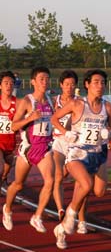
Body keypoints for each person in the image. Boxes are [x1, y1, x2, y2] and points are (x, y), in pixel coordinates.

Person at [52, 69, 111, 249]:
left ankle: (60, 230)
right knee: (86, 184)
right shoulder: (77, 104)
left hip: (98, 153)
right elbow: (54, 118)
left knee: (99, 191)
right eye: (96, 82)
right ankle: (70, 217)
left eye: (103, 82)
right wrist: (67, 133)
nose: (100, 86)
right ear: (87, 85)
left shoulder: (108, 107)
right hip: (77, 152)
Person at [2, 67, 54, 233]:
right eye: (41, 79)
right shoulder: (27, 101)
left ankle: (37, 216)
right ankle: (7, 209)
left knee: (50, 181)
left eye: (47, 79)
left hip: (44, 148)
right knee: (18, 184)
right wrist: (30, 118)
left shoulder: (51, 101)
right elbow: (13, 125)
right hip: (28, 149)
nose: (45, 82)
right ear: (33, 82)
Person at [52, 70, 79, 222]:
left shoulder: (79, 102)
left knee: (69, 174)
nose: (69, 87)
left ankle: (75, 209)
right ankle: (60, 209)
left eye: (72, 84)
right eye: (66, 84)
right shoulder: (54, 101)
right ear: (61, 85)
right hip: (58, 141)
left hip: (74, 143)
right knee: (58, 177)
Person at [0, 71, 19, 191]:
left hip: (10, 142)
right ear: (0, 85)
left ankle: (4, 179)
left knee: (8, 164)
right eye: (6, 83)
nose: (9, 85)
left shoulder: (19, 103)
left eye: (11, 83)